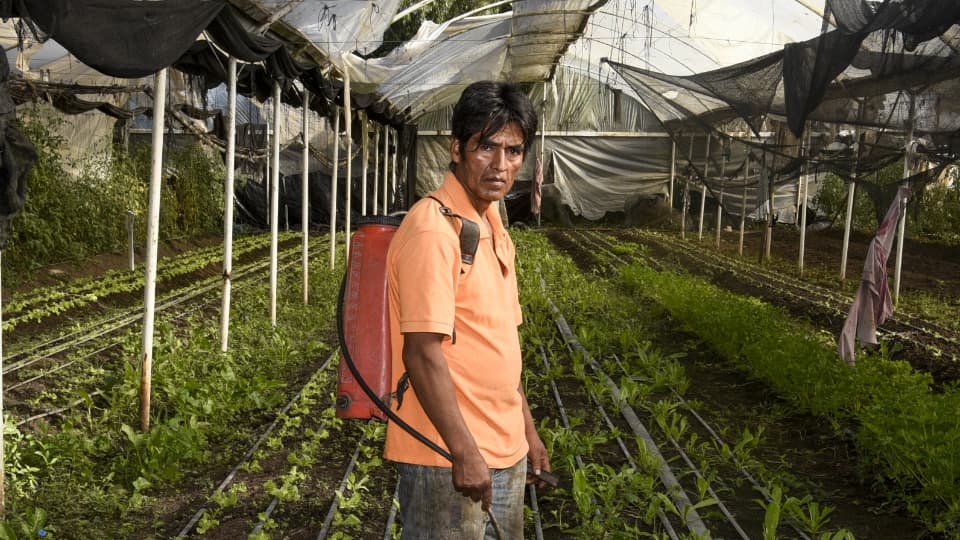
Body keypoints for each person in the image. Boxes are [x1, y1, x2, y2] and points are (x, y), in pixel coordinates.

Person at [384, 81, 551, 539]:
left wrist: (527, 431)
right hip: (447, 456)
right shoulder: (434, 230)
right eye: (487, 147)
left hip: (504, 449)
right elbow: (421, 352)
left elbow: (502, 342)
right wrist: (463, 451)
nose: (501, 165)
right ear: (457, 149)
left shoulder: (492, 221)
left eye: (514, 151)